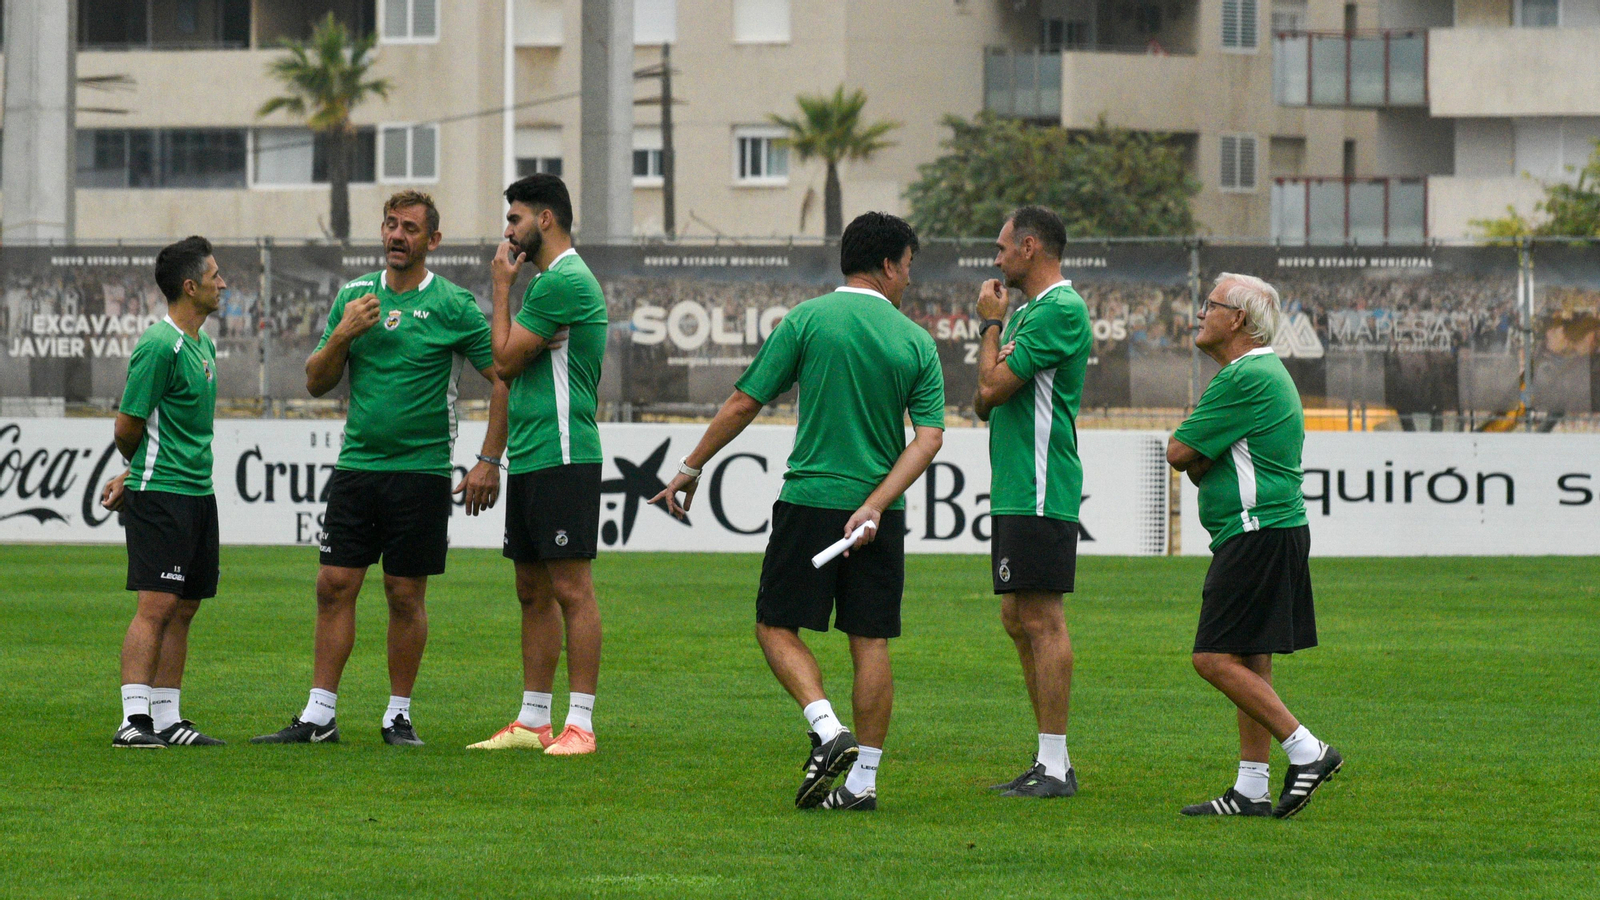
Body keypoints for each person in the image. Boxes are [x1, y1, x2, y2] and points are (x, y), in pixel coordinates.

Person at [651, 212, 946, 811]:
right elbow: (930, 438)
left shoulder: (808, 320)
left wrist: (690, 466)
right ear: (888, 264)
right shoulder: (916, 340)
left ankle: (825, 725)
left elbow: (743, 402)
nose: (910, 281)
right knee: (871, 641)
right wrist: (875, 504)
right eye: (909, 267)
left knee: (774, 625)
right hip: (874, 517)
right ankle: (862, 783)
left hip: (810, 501)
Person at [253, 191, 509, 747]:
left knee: (403, 593)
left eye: (410, 228)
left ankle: (398, 714)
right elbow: (316, 380)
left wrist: (489, 460)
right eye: (391, 225)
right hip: (357, 466)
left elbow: (504, 377)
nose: (397, 235)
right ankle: (319, 715)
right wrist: (344, 333)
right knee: (333, 583)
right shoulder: (353, 296)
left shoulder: (454, 306)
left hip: (420, 472)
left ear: (431, 241)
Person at [1167, 273, 1343, 819]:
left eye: (1210, 305)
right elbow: (1197, 460)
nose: (1200, 313)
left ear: (1237, 319)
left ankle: (1307, 750)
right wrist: (1202, 457)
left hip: (1255, 531)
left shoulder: (1243, 376)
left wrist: (1200, 455)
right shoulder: (1262, 373)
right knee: (1250, 657)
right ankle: (1250, 789)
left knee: (1213, 658)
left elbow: (1178, 452)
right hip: (1271, 529)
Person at [466, 174, 606, 756]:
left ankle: (582, 725)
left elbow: (500, 359)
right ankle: (532, 720)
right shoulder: (547, 286)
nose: (508, 231)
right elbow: (510, 375)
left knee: (572, 588)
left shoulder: (564, 282)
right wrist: (490, 458)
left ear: (545, 219)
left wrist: (500, 288)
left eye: (516, 219)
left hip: (565, 454)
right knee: (531, 588)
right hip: (532, 456)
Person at [972, 207, 1091, 798]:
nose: (995, 259)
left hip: (1043, 483)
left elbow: (991, 386)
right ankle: (1048, 760)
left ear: (1029, 245)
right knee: (1017, 616)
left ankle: (1057, 765)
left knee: (1041, 618)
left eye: (1001, 248)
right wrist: (998, 329)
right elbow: (983, 400)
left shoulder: (1061, 310)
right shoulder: (1030, 314)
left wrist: (989, 326)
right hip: (1018, 484)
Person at [103, 236, 227, 748]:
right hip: (165, 494)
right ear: (190, 286)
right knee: (155, 607)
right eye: (215, 275)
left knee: (185, 607)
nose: (224, 283)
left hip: (199, 492)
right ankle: (133, 721)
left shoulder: (204, 344)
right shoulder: (160, 344)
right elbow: (128, 426)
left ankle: (168, 717)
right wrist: (137, 476)